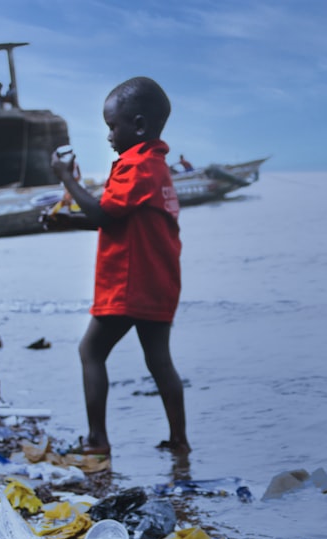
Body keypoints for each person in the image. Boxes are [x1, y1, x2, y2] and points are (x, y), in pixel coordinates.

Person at [50, 76, 189, 461]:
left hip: (129, 284)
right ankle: (179, 442)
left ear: (139, 126)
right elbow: (112, 219)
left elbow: (102, 214)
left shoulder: (137, 166)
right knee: (159, 361)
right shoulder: (157, 167)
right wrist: (65, 220)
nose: (109, 136)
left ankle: (97, 440)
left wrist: (66, 178)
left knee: (90, 350)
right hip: (159, 282)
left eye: (113, 126)